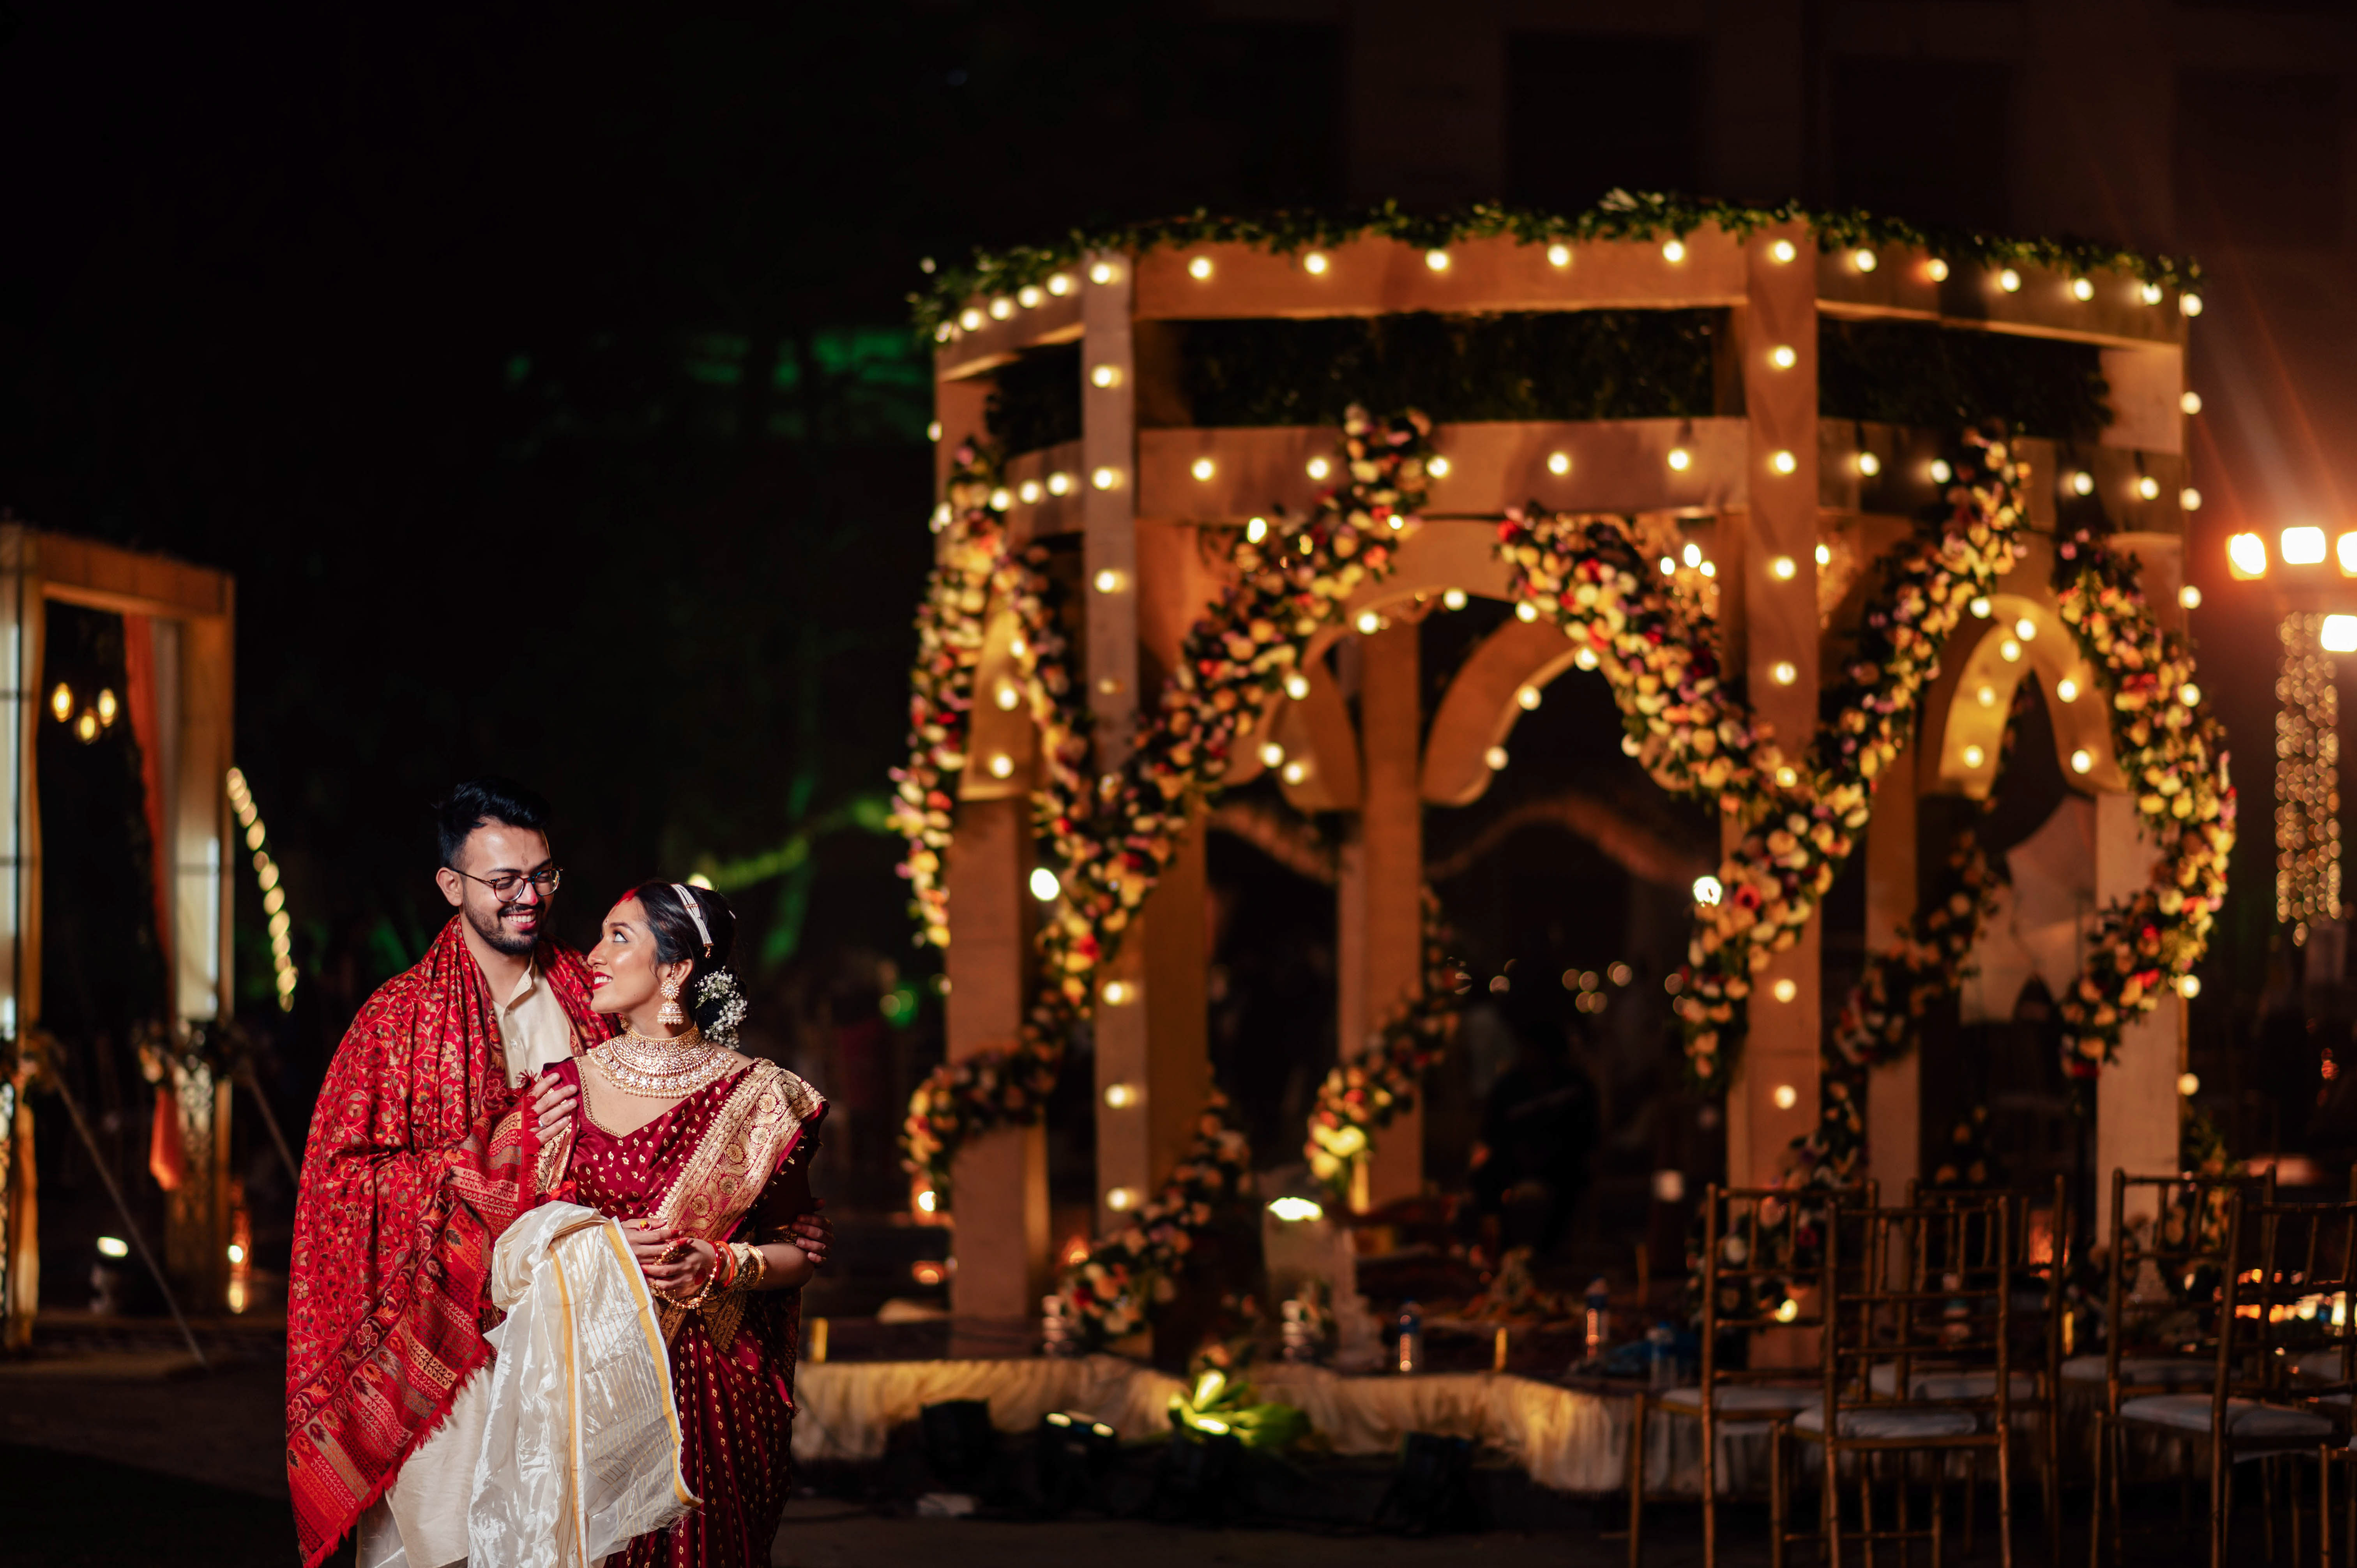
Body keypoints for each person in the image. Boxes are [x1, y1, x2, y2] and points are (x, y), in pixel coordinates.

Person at [281, 779, 827, 1568]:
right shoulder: (395, 1022)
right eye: (503, 882)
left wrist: (765, 1222)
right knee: (457, 1545)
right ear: (451, 886)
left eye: (542, 875)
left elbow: (693, 1112)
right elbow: (341, 1190)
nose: (528, 897)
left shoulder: (594, 993)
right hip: (453, 1344)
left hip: (596, 1343)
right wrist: (498, 1155)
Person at [541, 880, 826, 1568]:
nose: (591, 956)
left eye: (619, 937)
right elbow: (518, 1239)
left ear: (675, 970)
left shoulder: (761, 1097)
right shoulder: (560, 1090)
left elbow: (800, 1250)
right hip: (592, 1379)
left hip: (712, 1394)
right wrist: (590, 1246)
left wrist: (722, 1264)